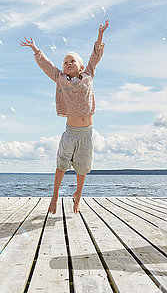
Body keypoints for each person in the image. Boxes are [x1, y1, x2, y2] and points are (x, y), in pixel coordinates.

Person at [20, 20, 109, 214]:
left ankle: (78, 194)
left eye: (72, 61)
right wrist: (36, 49)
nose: (68, 64)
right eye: (65, 62)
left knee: (83, 167)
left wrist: (100, 34)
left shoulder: (89, 75)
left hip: (87, 134)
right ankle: (54, 197)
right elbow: (47, 66)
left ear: (81, 66)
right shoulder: (60, 78)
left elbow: (96, 55)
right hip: (71, 132)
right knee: (61, 165)